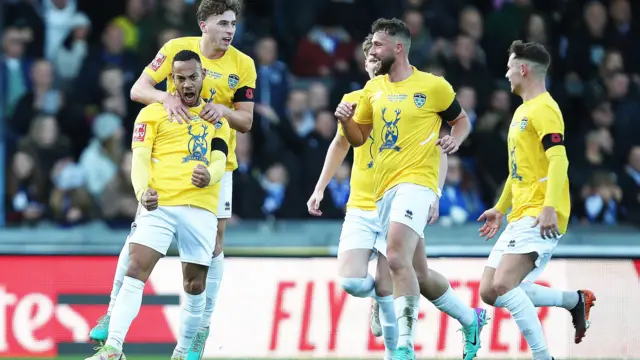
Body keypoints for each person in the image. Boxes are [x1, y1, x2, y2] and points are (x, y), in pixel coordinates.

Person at [89, 1, 256, 359]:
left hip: (215, 158)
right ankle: (112, 311)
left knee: (214, 246)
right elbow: (138, 89)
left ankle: (200, 331)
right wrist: (165, 97)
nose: (230, 30)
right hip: (169, 158)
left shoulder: (243, 64)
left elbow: (246, 121)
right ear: (203, 25)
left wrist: (224, 110)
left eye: (233, 23)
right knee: (139, 234)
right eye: (222, 23)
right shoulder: (175, 50)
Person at [314, 33, 487, 360]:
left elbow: (438, 148)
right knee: (412, 275)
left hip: (408, 195)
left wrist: (433, 192)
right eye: (368, 59)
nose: (372, 63)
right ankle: (469, 318)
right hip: (368, 200)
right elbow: (347, 142)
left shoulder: (420, 91)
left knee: (392, 274)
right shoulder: (359, 98)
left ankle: (399, 351)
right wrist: (320, 187)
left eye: (376, 56)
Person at [476, 40, 596, 360]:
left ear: (523, 69)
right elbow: (518, 171)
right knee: (489, 291)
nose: (506, 73)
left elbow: (560, 161)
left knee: (504, 284)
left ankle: (543, 357)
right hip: (521, 211)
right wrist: (500, 209)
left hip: (542, 210)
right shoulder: (520, 112)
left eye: (509, 67)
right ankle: (574, 300)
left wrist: (548, 207)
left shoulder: (545, 109)